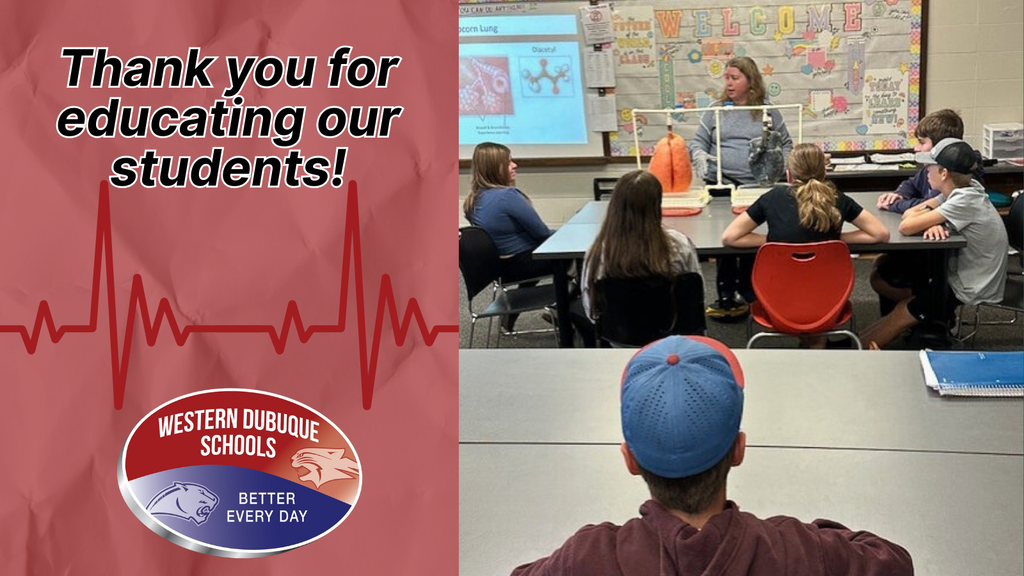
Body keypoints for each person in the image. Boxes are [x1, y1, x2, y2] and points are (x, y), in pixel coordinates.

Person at [510, 335, 914, 576]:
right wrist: (819, 533)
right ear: (739, 450)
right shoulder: (798, 549)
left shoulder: (586, 556)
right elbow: (894, 562)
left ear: (629, 460)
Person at [721, 143, 889, 347]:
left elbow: (730, 237)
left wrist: (774, 240)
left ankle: (810, 344)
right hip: (828, 301)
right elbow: (880, 233)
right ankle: (818, 344)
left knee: (794, 283)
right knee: (815, 285)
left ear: (789, 174)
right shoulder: (837, 198)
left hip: (776, 302)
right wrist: (835, 240)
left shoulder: (772, 198)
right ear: (824, 172)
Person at [861, 138, 1008, 349]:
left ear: (944, 173)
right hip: (960, 272)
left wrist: (929, 217)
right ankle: (854, 344)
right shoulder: (962, 188)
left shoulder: (964, 200)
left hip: (971, 283)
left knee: (903, 313)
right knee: (904, 305)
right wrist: (932, 217)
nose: (925, 171)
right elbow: (911, 214)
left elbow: (906, 226)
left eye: (929, 167)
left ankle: (852, 352)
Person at [688, 56, 793, 319]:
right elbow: (697, 143)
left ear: (750, 81)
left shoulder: (768, 112)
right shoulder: (715, 110)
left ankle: (749, 292)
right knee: (724, 240)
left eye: (735, 78)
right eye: (727, 77)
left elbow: (788, 144)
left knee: (748, 240)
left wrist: (779, 165)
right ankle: (725, 294)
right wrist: (700, 156)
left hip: (756, 188)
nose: (729, 83)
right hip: (721, 185)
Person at [872, 109, 984, 316]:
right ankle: (914, 312)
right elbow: (912, 186)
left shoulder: (960, 172)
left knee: (882, 274)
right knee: (883, 263)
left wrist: (898, 206)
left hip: (952, 258)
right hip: (931, 246)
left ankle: (919, 311)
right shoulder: (933, 167)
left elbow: (929, 205)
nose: (916, 147)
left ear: (942, 146)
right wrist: (898, 195)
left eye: (922, 142)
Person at [581, 170, 702, 321]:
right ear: (657, 205)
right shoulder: (679, 244)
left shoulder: (598, 252)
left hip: (618, 340)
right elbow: (696, 296)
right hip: (672, 337)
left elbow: (592, 312)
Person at [464, 142, 553, 283]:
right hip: (521, 265)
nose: (514, 165)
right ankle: (568, 300)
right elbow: (542, 233)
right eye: (508, 162)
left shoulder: (473, 200)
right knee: (580, 254)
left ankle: (534, 297)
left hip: (500, 267)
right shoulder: (508, 195)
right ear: (493, 168)